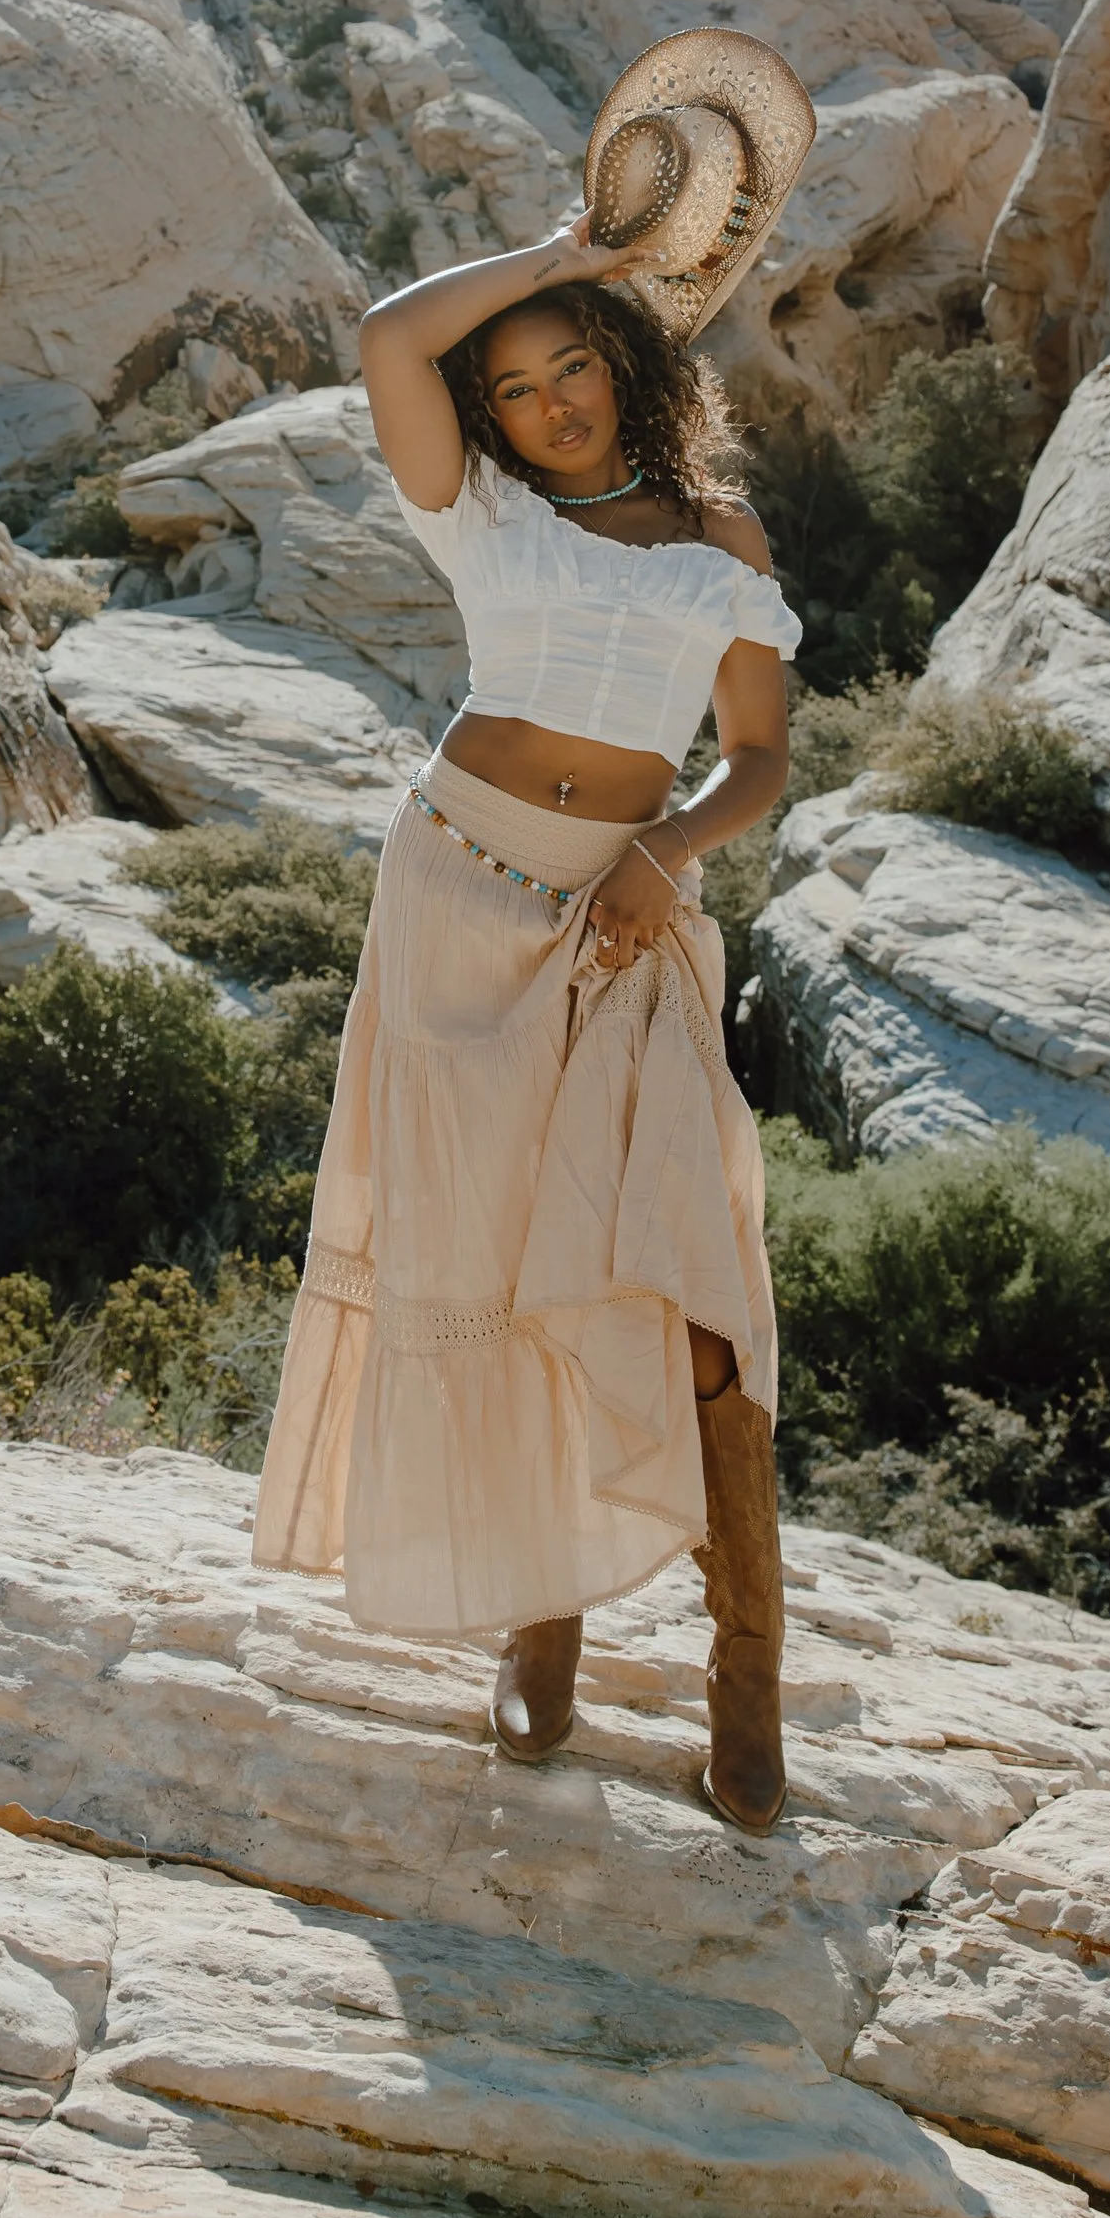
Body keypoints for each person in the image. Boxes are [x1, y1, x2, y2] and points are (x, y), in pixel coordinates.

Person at [251, 200, 804, 1832]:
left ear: (625, 364)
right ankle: (539, 1617)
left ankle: (748, 1678)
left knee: (692, 1288)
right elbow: (388, 336)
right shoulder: (478, 508)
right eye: (516, 385)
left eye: (574, 364)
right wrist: (571, 253)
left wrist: (665, 847)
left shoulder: (722, 535)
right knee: (496, 1267)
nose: (551, 401)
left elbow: (758, 757)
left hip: (626, 921)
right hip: (456, 895)